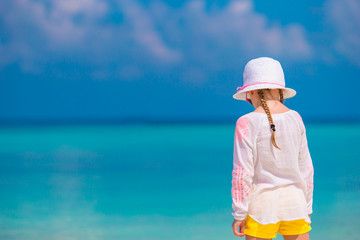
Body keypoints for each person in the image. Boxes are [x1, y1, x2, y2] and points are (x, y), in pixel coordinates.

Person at [230, 57, 314, 240]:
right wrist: (307, 207)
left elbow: (242, 173)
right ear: (280, 90)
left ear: (250, 93)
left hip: (261, 206)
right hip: (296, 203)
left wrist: (239, 213)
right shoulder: (296, 118)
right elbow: (307, 168)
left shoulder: (245, 122)